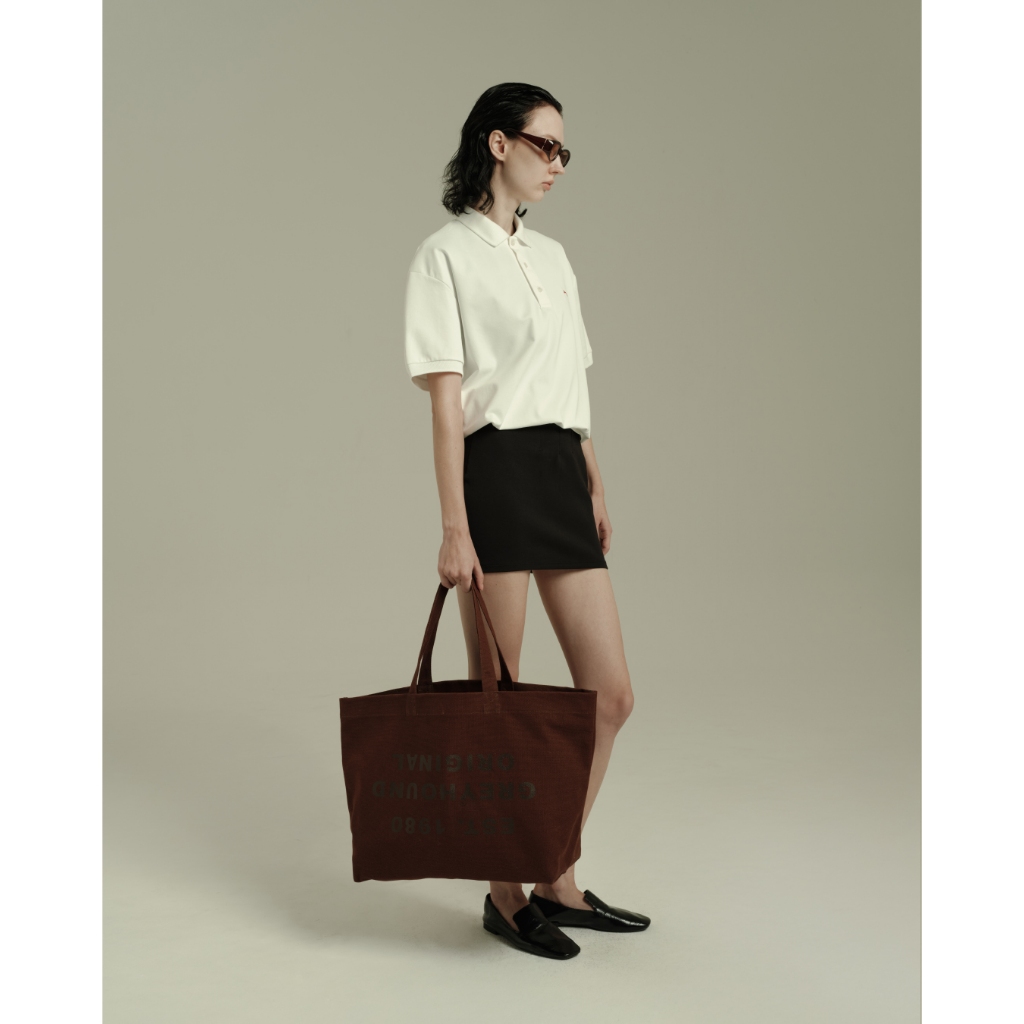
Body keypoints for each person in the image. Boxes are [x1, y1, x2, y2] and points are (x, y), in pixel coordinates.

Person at [403, 82, 649, 960]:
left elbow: (572, 382)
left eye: (564, 152)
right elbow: (445, 404)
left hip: (559, 473)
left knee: (610, 696)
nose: (558, 165)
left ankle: (556, 875)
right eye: (545, 146)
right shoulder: (443, 256)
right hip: (497, 473)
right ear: (498, 143)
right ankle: (506, 894)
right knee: (499, 707)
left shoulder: (554, 256)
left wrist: (595, 483)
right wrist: (454, 526)